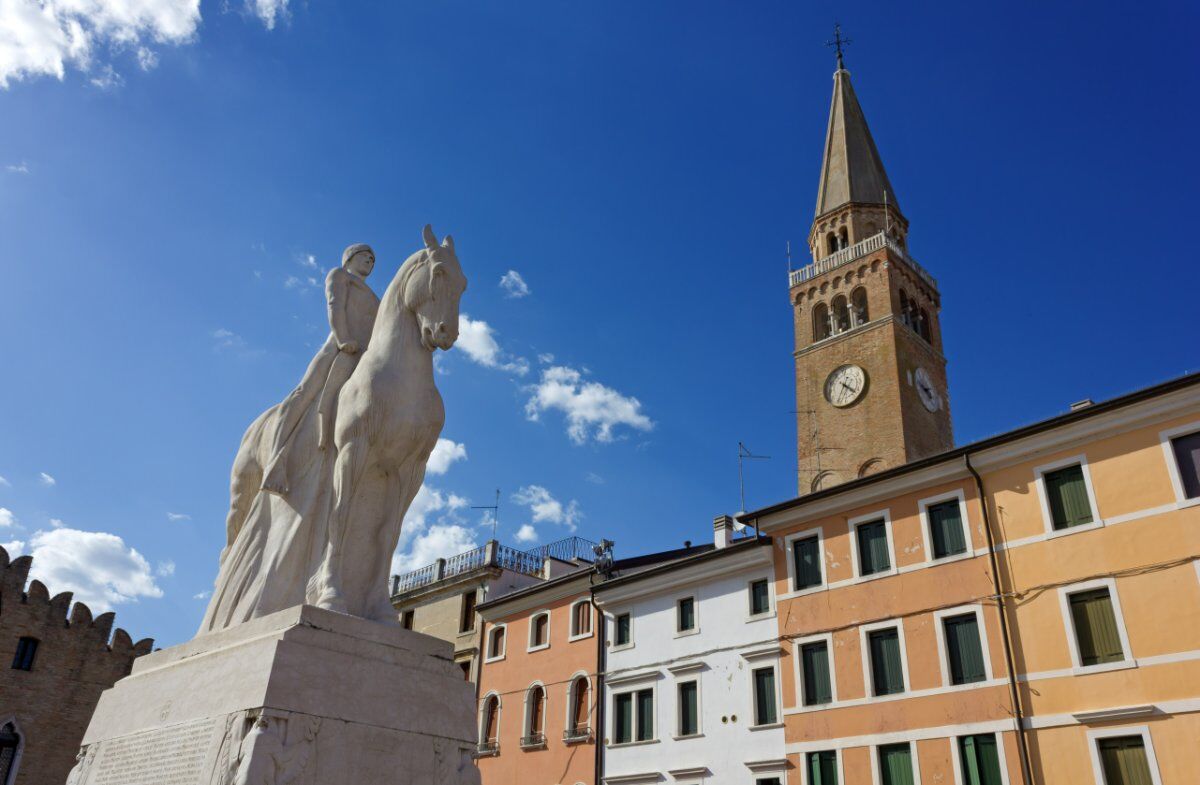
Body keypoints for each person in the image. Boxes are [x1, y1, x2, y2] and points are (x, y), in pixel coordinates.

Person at [261, 244, 380, 495]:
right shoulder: (340, 275)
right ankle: (275, 458)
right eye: (365, 255)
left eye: (372, 259)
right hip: (339, 347)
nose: (370, 260)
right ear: (349, 258)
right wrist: (343, 337)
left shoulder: (376, 299)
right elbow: (335, 305)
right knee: (303, 394)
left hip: (363, 356)